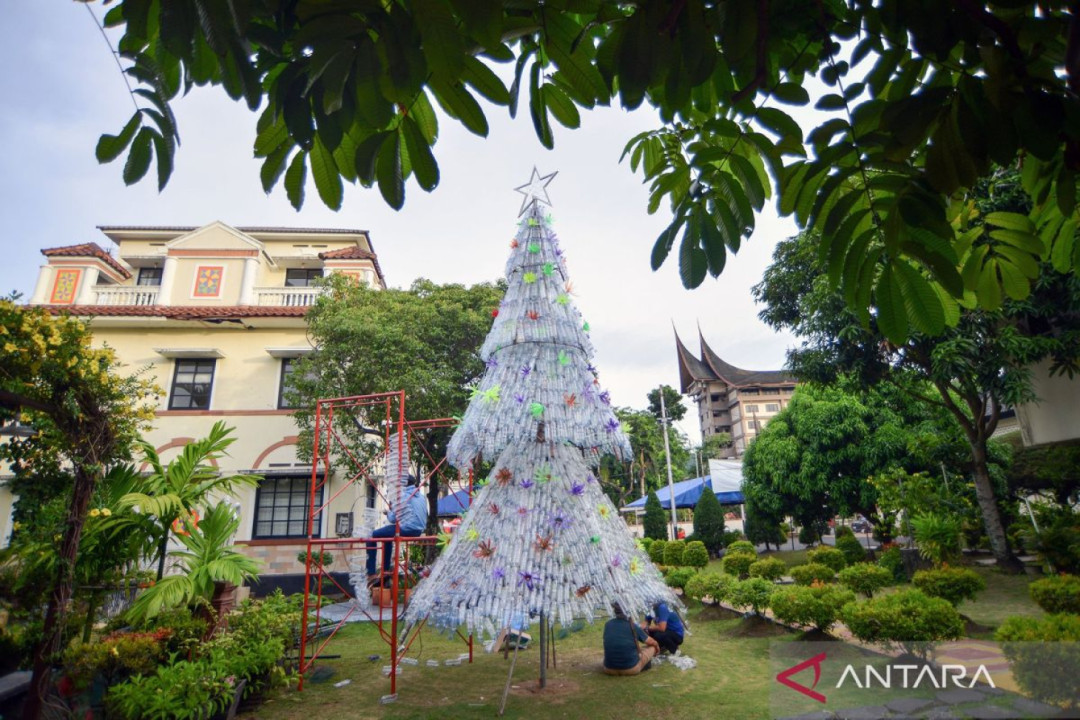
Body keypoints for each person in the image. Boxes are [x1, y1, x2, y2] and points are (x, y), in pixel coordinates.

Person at [366, 474, 428, 585]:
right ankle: (385, 570)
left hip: (407, 529)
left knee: (372, 536)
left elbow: (393, 518)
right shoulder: (420, 496)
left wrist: (389, 511)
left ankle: (371, 573)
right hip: (418, 530)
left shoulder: (402, 496)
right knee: (387, 537)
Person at [602, 604, 659, 676]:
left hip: (608, 669)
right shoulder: (633, 626)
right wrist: (657, 648)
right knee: (652, 647)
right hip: (631, 669)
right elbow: (651, 642)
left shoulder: (608, 624)